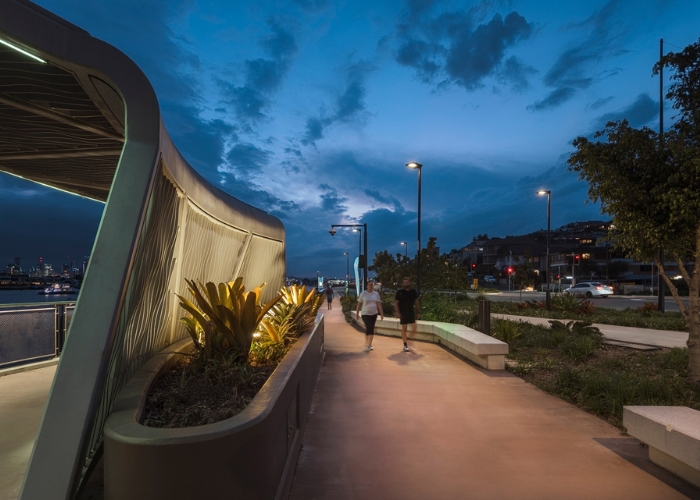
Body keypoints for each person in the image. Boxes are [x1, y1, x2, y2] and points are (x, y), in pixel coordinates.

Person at [394, 277, 421, 352]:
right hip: (403, 312)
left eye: (407, 282)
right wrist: (397, 312)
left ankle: (409, 340)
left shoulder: (413, 291)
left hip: (411, 312)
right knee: (404, 328)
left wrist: (419, 311)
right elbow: (396, 303)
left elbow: (416, 301)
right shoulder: (400, 292)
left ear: (410, 283)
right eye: (404, 283)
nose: (405, 284)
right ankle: (405, 344)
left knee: (414, 328)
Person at [356, 281, 384, 351]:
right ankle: (368, 345)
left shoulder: (376, 294)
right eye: (369, 285)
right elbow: (359, 304)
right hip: (365, 314)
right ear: (366, 286)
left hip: (374, 314)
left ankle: (369, 343)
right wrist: (357, 314)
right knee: (370, 328)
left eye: (372, 285)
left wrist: (381, 313)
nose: (371, 286)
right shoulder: (363, 294)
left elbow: (379, 304)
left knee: (370, 329)